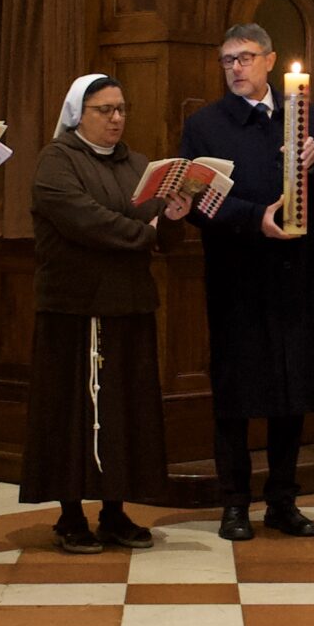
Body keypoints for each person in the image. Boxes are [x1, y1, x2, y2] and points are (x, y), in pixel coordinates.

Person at [177, 22, 314, 542]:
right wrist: (255, 218)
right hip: (237, 278)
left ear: (270, 61)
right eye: (227, 59)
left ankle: (282, 500)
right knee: (235, 394)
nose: (236, 68)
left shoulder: (308, 119)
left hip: (296, 277)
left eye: (246, 57)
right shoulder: (204, 126)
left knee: (290, 391)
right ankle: (234, 504)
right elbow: (195, 202)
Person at [24, 75, 190, 552]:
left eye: (121, 109)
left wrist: (174, 218)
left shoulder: (138, 166)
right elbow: (86, 221)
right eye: (105, 110)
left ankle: (115, 512)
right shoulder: (56, 161)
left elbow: (163, 235)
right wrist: (149, 232)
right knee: (72, 413)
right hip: (73, 308)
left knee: (124, 412)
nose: (117, 118)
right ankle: (70, 515)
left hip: (128, 306)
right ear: (79, 113)